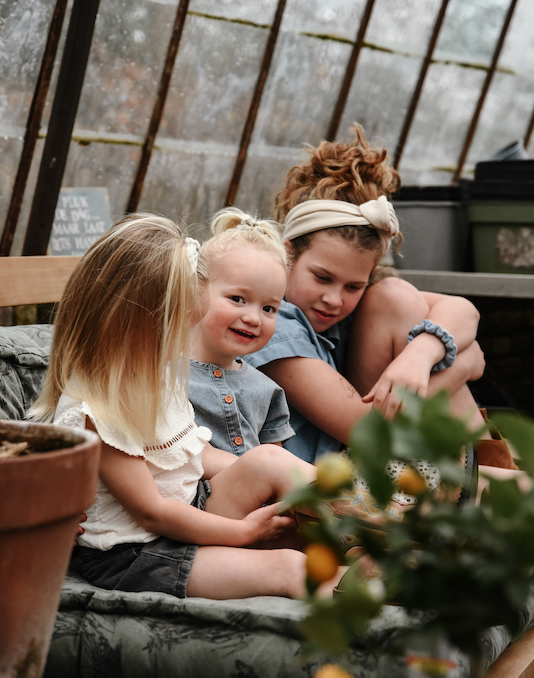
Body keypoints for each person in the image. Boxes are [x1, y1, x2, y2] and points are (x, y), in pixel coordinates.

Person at [28, 213, 342, 600]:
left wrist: (273, 478)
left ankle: (374, 520)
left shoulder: (153, 376)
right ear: (134, 322)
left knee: (270, 464)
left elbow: (197, 454)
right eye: (179, 327)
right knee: (292, 567)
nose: (184, 343)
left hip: (187, 510)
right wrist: (246, 531)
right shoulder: (97, 410)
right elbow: (152, 512)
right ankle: (373, 594)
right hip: (139, 552)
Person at [245, 123, 489, 465]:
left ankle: (485, 467)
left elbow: (464, 310)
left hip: (381, 447)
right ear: (288, 255)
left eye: (353, 286)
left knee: (394, 294)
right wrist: (462, 365)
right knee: (517, 492)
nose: (334, 298)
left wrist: (420, 354)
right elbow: (364, 430)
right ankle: (487, 467)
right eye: (322, 277)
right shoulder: (272, 325)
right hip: (338, 473)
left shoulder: (366, 300)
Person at [189, 207, 295, 455]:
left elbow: (278, 464)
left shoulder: (267, 390)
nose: (253, 318)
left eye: (269, 308)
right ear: (195, 291)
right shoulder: (163, 379)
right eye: (237, 299)